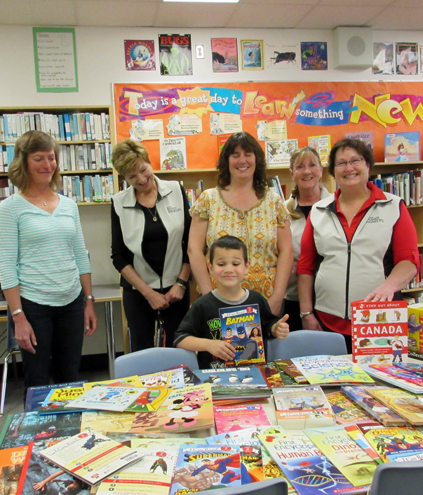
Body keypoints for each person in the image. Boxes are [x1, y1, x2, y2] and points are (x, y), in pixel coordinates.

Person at [0, 130, 97, 391]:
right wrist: (18, 317)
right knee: (37, 379)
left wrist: (88, 301)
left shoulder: (68, 205)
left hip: (71, 302)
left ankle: (72, 430)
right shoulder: (10, 208)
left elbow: (80, 255)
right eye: (38, 158)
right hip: (33, 305)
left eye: (51, 158)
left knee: (70, 376)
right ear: (24, 163)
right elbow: (6, 267)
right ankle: (41, 431)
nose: (47, 165)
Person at [296, 138, 419, 351]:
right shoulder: (319, 210)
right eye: (341, 163)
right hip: (327, 319)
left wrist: (389, 286)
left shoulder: (393, 206)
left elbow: (409, 261)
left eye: (355, 160)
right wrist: (306, 313)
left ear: (368, 165)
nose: (349, 168)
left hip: (378, 319)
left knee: (380, 380)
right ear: (333, 172)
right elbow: (305, 267)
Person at [188, 131, 292, 316]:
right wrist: (207, 297)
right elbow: (194, 250)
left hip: (266, 300)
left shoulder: (274, 202)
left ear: (256, 160)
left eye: (247, 155)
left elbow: (286, 251)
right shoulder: (208, 199)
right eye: (235, 155)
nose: (242, 160)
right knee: (219, 346)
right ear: (226, 161)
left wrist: (277, 297)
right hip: (218, 299)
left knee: (267, 346)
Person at [110, 139, 191, 351]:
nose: (141, 179)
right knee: (141, 349)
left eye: (143, 169)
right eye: (131, 176)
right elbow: (118, 256)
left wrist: (181, 283)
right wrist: (148, 293)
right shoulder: (119, 203)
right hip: (139, 292)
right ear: (124, 178)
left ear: (149, 162)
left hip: (177, 289)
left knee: (180, 348)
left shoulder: (175, 190)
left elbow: (191, 242)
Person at [175, 235, 289, 369]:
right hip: (215, 377)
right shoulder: (202, 305)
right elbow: (180, 339)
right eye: (221, 264)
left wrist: (277, 329)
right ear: (210, 268)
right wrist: (208, 344)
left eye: (235, 264)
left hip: (254, 374)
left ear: (246, 266)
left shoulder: (256, 300)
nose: (228, 269)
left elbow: (268, 327)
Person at [283, 147, 331, 328]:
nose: (307, 171)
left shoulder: (338, 207)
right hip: (293, 299)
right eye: (300, 166)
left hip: (331, 299)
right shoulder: (282, 212)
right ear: (292, 173)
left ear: (321, 170)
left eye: (312, 165)